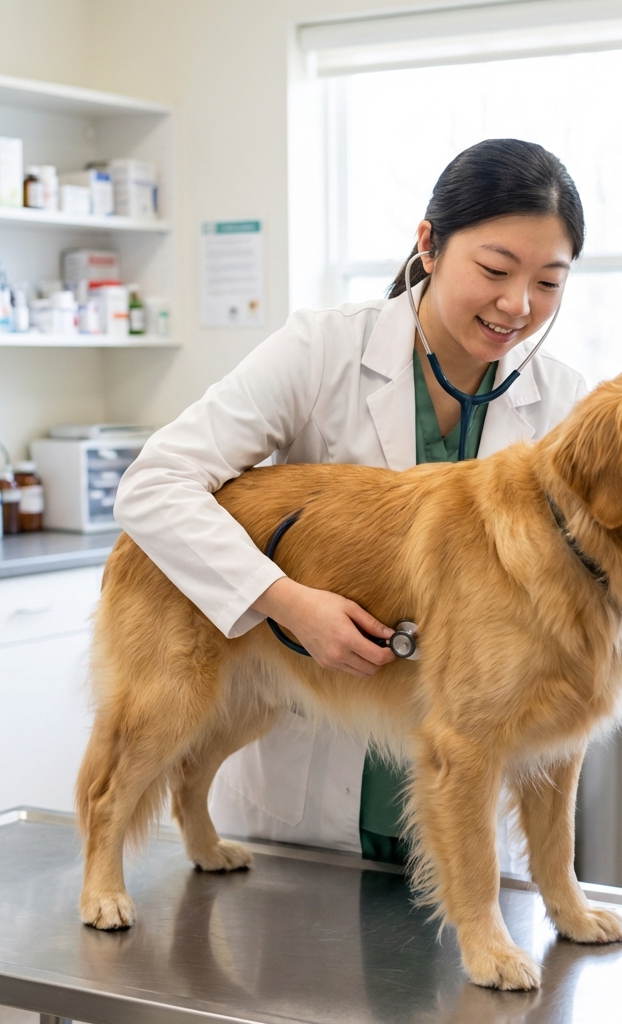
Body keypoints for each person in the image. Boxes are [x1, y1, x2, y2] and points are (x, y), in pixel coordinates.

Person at [114, 138, 587, 872]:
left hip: (464, 800)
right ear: (429, 245)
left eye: (548, 282)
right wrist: (287, 603)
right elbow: (154, 486)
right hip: (308, 800)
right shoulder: (321, 350)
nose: (517, 306)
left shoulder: (561, 405)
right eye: (494, 270)